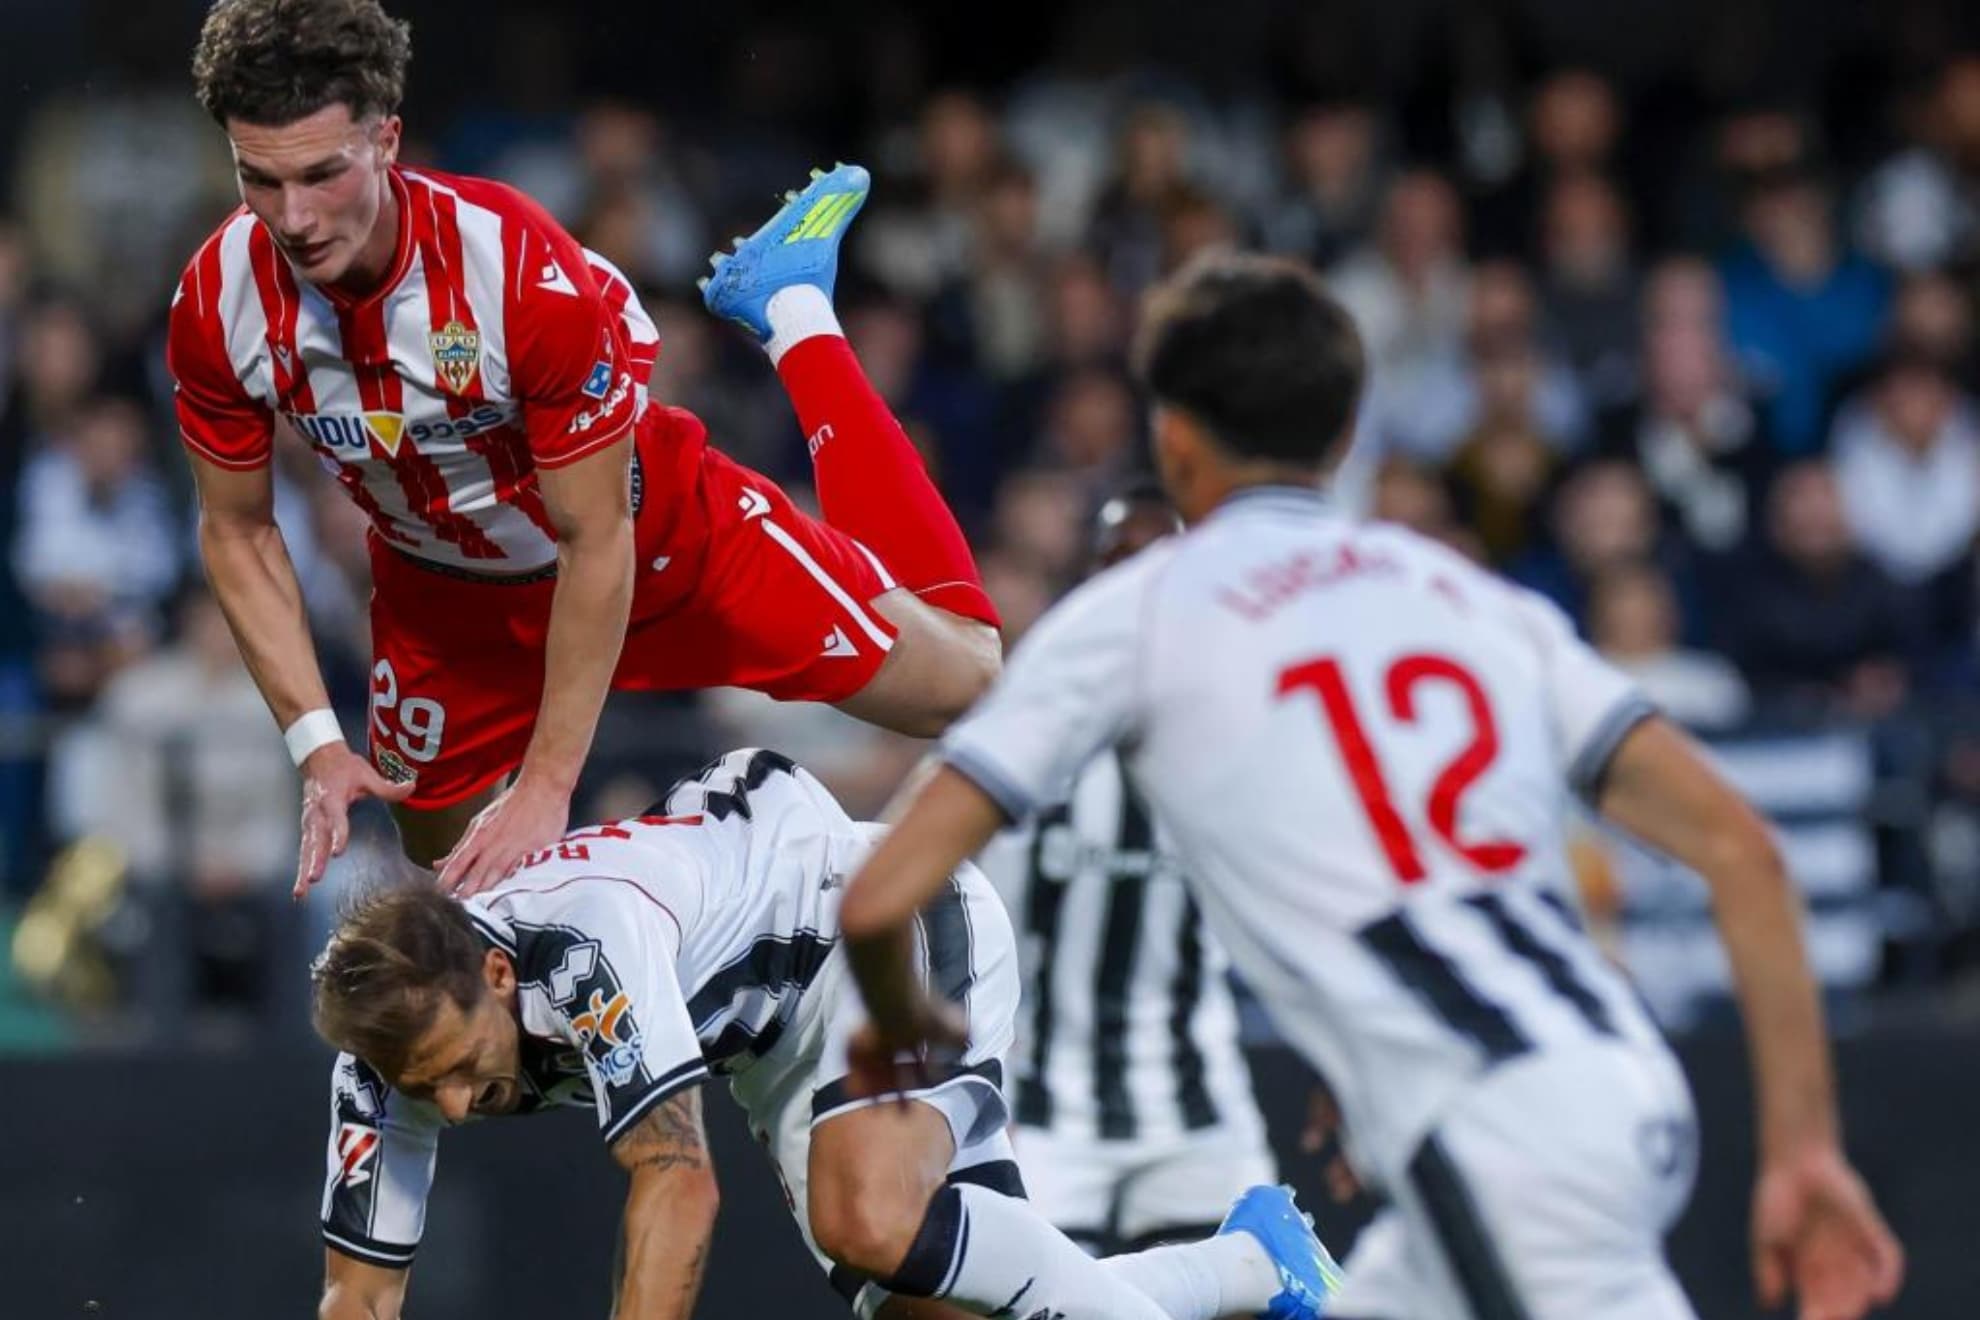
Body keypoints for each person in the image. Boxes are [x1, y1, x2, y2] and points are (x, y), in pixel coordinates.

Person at [839, 252, 1905, 1320]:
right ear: (1348, 436)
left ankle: (1251, 1263)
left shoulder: (1144, 611)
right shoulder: (1471, 599)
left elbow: (883, 892)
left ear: (1173, 438)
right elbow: (1746, 853)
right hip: (1605, 1078)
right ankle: (1259, 1265)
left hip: (1492, 1140)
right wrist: (1805, 1150)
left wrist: (899, 1021)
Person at [169, 0, 1000, 900]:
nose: (293, 219)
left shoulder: (515, 273)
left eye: (322, 174)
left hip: (658, 541)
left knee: (964, 686)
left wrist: (548, 784)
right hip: (444, 601)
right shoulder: (218, 303)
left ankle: (792, 310)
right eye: (262, 180)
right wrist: (317, 743)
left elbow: (594, 538)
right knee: (440, 854)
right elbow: (238, 530)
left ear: (387, 141)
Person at [309, 748, 1338, 1320]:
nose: (449, 1105)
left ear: (498, 972)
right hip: (777, 1048)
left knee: (865, 1214)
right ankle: (1255, 1263)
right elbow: (357, 1297)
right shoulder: (382, 1064)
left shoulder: (584, 940)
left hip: (880, 923)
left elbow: (676, 1180)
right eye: (420, 1087)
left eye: (456, 1068)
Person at [977, 481, 1277, 1254]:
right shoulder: (1035, 740)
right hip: (1049, 1110)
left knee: (1270, 1293)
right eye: (1124, 574)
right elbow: (979, 930)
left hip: (1200, 1111)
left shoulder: (1244, 745)